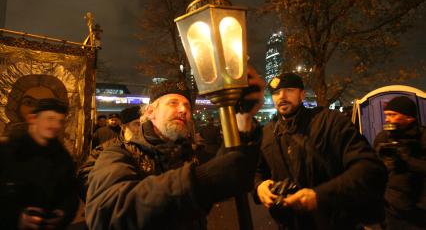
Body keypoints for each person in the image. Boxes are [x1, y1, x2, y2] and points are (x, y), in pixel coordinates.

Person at [83, 69, 264, 229]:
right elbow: (106, 214)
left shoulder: (192, 154)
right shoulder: (119, 153)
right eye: (173, 103)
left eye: (187, 106)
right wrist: (197, 182)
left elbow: (229, 169)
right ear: (151, 112)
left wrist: (243, 119)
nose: (183, 110)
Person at [254, 72, 387, 230]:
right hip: (290, 224)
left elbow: (369, 167)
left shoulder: (331, 121)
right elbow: (257, 170)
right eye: (276, 92)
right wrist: (260, 186)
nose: (282, 96)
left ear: (302, 95)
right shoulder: (267, 133)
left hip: (335, 222)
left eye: (289, 90)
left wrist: (319, 196)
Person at [0, 98, 79, 229]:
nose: (56, 126)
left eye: (60, 121)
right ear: (32, 119)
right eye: (50, 119)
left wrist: (63, 213)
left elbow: (70, 194)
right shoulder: (7, 151)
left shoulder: (62, 157)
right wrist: (15, 218)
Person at [374, 96, 426, 229]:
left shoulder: (423, 137)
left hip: (419, 210)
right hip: (392, 207)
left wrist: (406, 160)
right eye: (386, 115)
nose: (387, 119)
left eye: (392, 115)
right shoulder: (383, 137)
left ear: (409, 117)